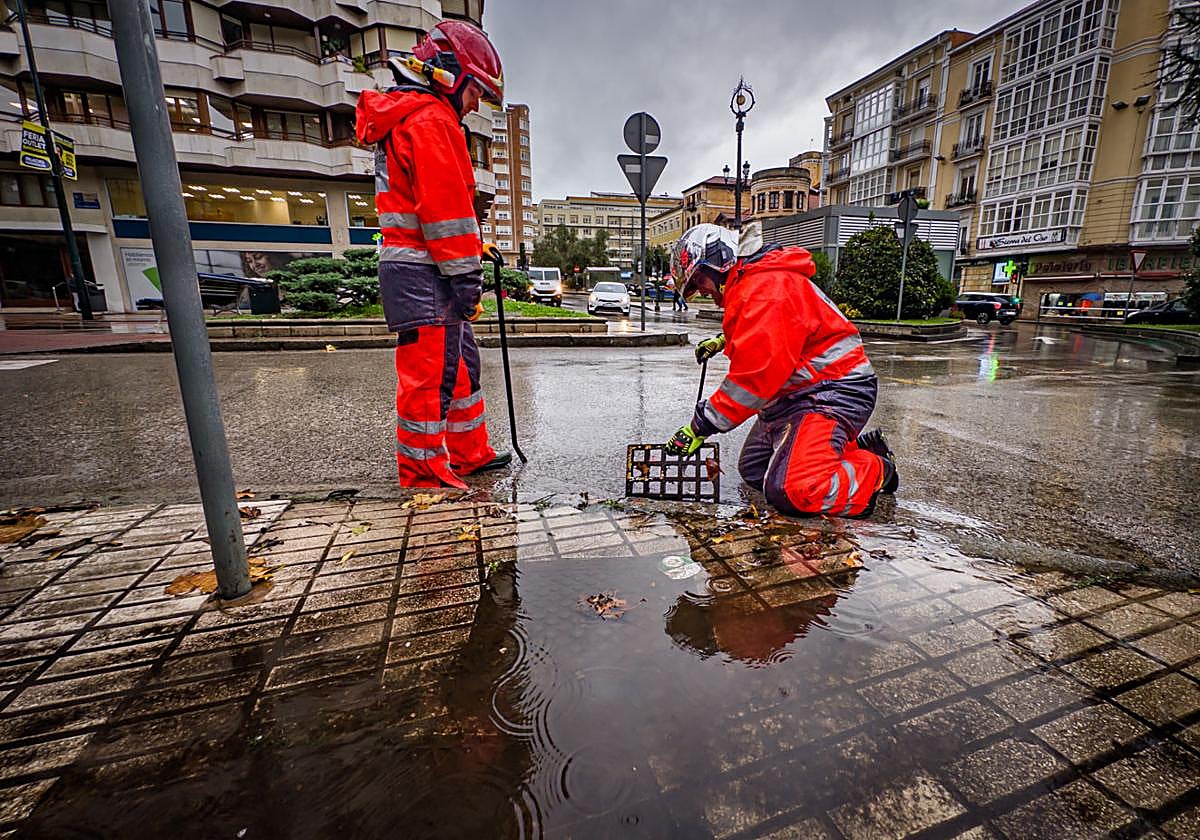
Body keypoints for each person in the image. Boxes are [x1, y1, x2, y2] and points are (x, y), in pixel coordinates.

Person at [356, 20, 511, 488]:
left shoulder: (420, 116)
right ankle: (424, 475)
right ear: (448, 75)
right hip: (426, 276)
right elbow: (444, 209)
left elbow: (432, 208)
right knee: (430, 378)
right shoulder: (430, 120)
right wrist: (466, 276)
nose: (474, 103)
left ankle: (468, 453)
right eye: (475, 91)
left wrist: (471, 250)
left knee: (459, 367)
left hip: (425, 267)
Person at [665, 223, 898, 518]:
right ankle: (840, 452)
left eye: (700, 280)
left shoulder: (765, 288)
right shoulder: (754, 282)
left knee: (792, 490)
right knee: (755, 471)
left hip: (832, 392)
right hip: (798, 395)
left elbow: (754, 379)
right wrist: (724, 341)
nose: (701, 290)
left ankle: (877, 469)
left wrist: (701, 425)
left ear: (719, 262)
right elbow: (771, 332)